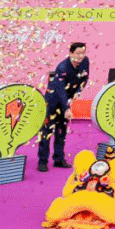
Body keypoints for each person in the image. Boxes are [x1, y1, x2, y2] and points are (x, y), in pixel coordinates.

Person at [37, 42, 90, 172]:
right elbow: (60, 91)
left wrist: (78, 92)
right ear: (71, 53)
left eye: (83, 53)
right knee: (47, 132)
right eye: (77, 53)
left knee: (61, 130)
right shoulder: (62, 68)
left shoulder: (85, 61)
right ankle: (42, 161)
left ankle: (59, 159)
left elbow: (85, 78)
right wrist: (66, 108)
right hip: (53, 101)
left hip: (67, 100)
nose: (80, 56)